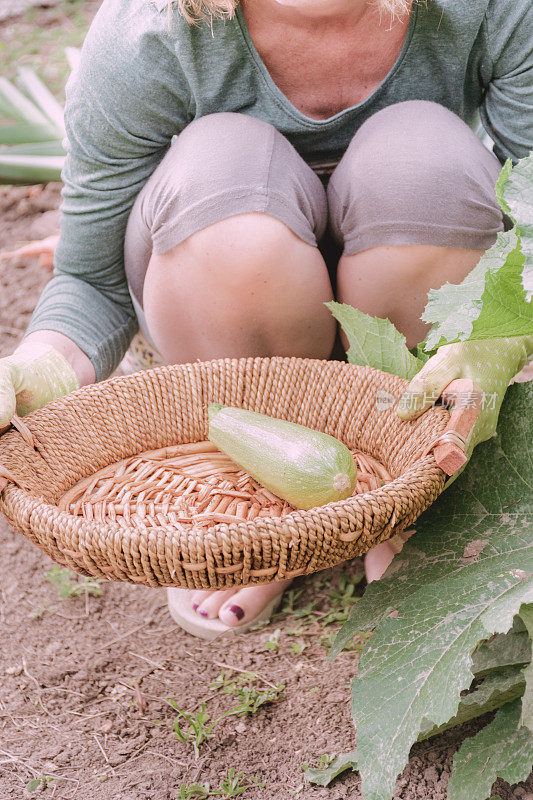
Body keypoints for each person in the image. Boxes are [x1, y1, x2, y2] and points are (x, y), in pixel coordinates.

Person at [0, 0, 531, 638]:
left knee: (426, 156)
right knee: (224, 170)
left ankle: (409, 489)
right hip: (237, 320)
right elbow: (89, 277)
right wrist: (38, 369)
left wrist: (504, 343)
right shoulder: (151, 32)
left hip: (401, 328)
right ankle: (263, 500)